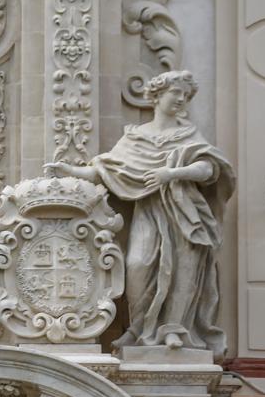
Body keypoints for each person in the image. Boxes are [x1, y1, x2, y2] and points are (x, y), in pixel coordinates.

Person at [45, 70, 234, 357]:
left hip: (185, 215)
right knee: (137, 266)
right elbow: (106, 171)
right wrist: (70, 171)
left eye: (186, 95)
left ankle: (173, 328)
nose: (182, 100)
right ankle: (138, 327)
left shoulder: (189, 135)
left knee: (184, 270)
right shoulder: (137, 138)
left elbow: (209, 169)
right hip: (148, 211)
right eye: (176, 93)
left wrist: (171, 174)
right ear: (157, 95)